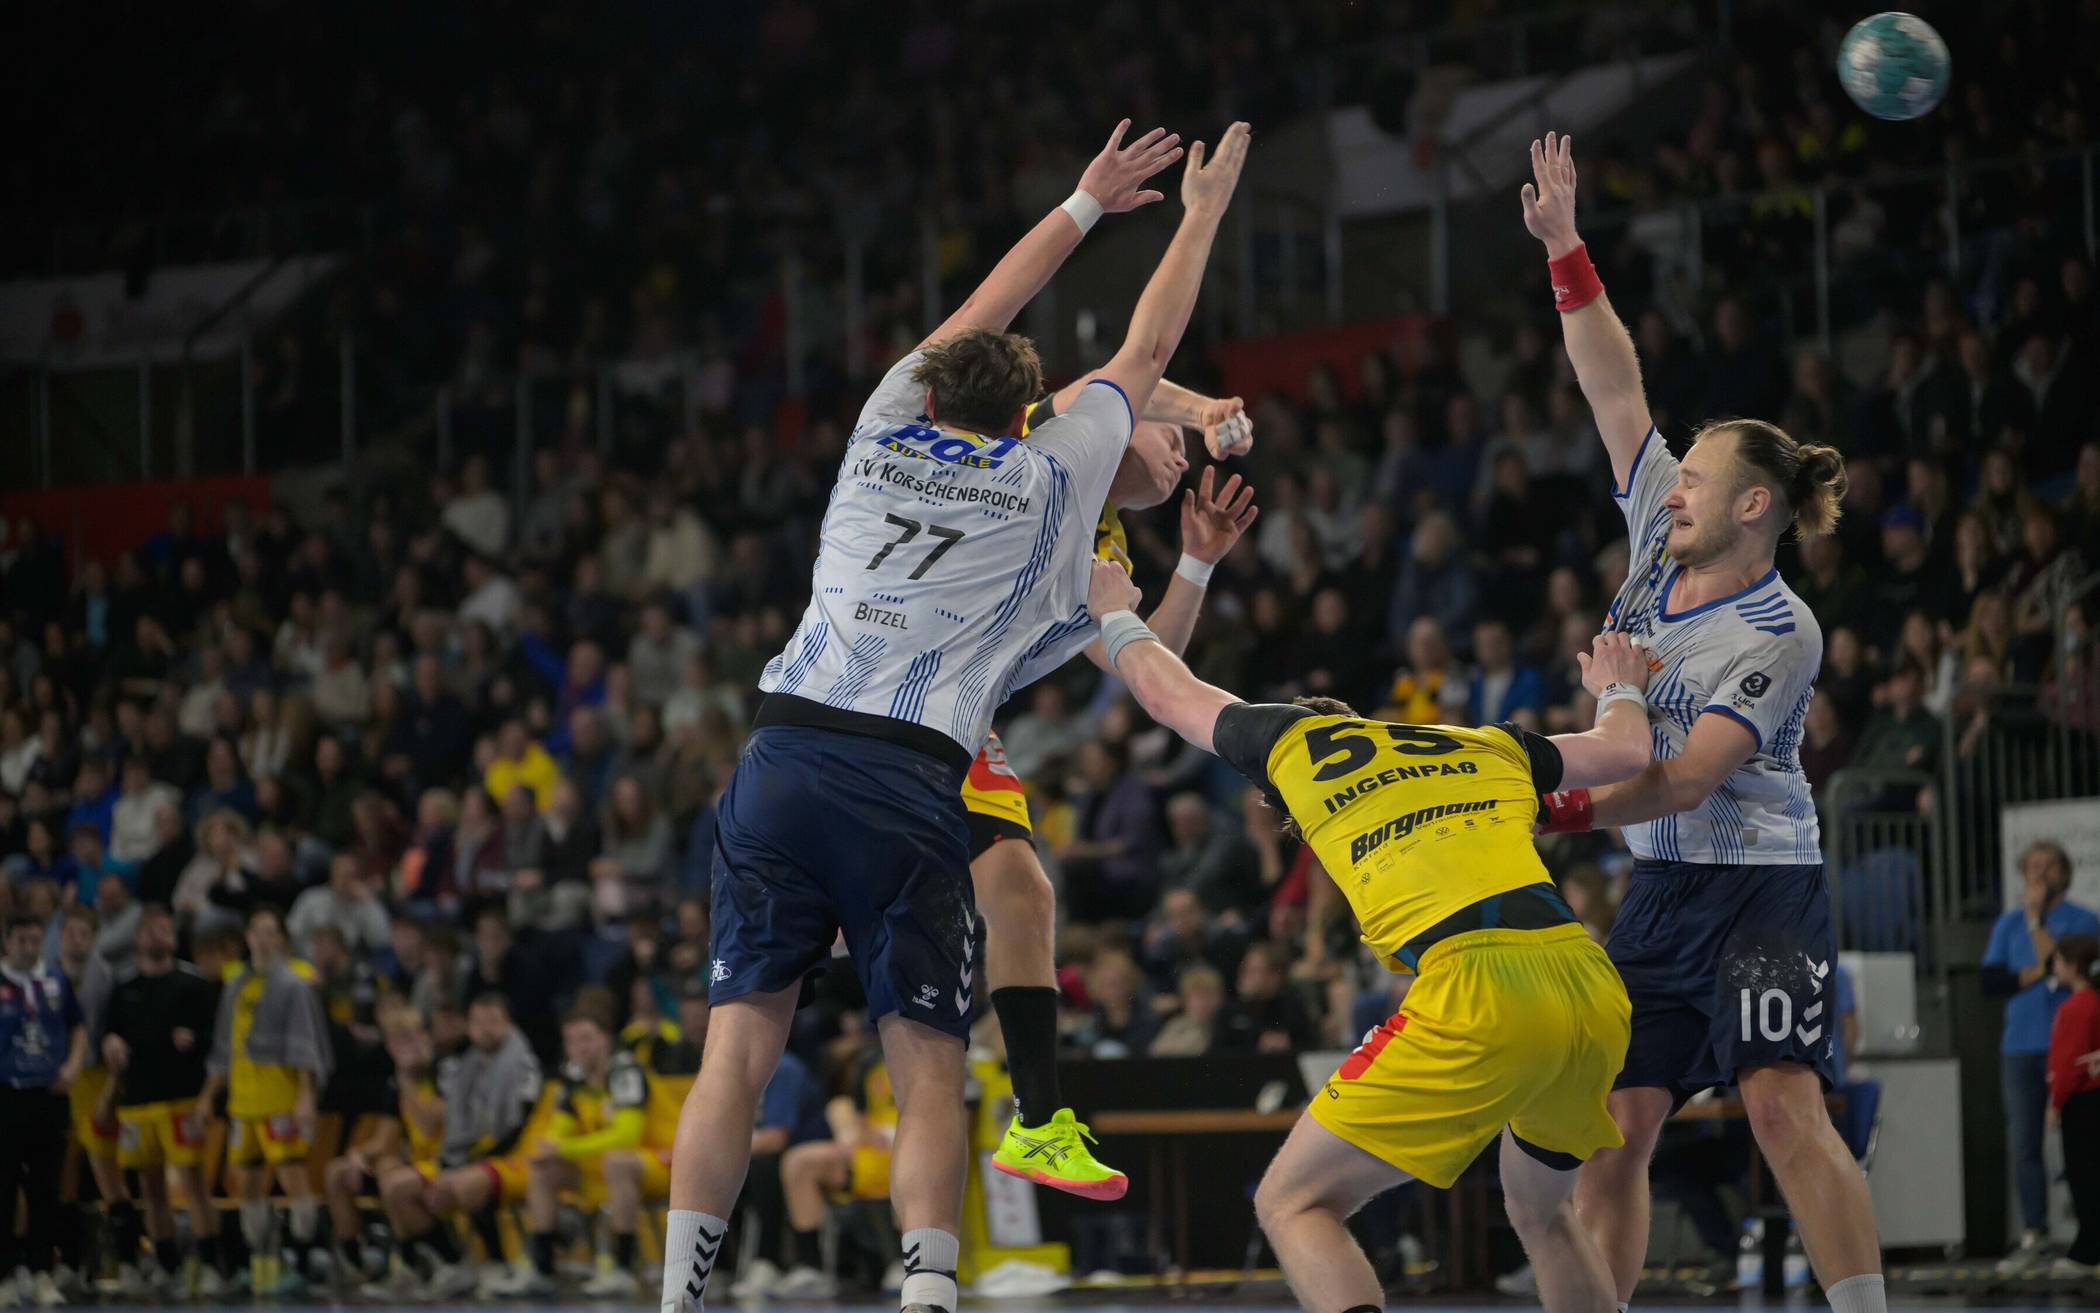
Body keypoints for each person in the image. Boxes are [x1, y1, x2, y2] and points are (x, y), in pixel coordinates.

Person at [659, 116, 1248, 1313]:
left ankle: (680, 1294)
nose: (1168, 459)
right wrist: (1200, 219)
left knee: (741, 1043)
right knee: (927, 1063)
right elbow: (1142, 351)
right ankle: (931, 1288)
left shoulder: (887, 419)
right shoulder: (1058, 484)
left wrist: (1086, 201)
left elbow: (1003, 315)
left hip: (784, 744)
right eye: (1156, 447)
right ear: (1051, 418)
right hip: (908, 765)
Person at [1517, 132, 1885, 1313]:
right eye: (1672, 480)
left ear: (1753, 504)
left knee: (1781, 1107)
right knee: (1615, 1127)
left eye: (1693, 482)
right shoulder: (1654, 537)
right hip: (1662, 894)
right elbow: (1611, 385)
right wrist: (1568, 249)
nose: (1669, 488)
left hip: (1761, 892)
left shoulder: (1781, 629)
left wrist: (1553, 805)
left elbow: (1683, 778)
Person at [1084, 555, 1656, 1313]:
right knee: (1544, 1211)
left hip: (1480, 991)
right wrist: (1619, 683)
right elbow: (1627, 752)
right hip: (1589, 983)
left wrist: (1112, 609)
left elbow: (1167, 692)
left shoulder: (1293, 747)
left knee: (1293, 1202)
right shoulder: (1479, 743)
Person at [188, 906, 333, 1297]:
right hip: (243, 1102)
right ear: (248, 938)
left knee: (292, 1178)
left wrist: (305, 1096)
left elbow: (305, 1043)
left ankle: (304, 1263)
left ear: (282, 939)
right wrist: (207, 1098)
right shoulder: (235, 984)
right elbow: (223, 1047)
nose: (263, 939)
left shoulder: (294, 985)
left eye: (271, 932)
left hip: (279, 1099)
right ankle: (260, 1262)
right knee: (248, 1184)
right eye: (257, 931)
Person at [361, 993, 543, 1301]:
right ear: (468, 1027)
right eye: (478, 1022)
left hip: (519, 1159)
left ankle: (496, 1262)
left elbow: (514, 1130)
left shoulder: (524, 1066)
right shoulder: (468, 1068)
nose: (485, 1029)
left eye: (493, 1021)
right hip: (468, 1158)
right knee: (396, 1186)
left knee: (464, 1183)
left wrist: (462, 1166)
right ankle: (448, 1265)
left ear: (508, 1024)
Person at [1982, 840, 2098, 1273]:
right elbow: (1992, 982)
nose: (2039, 874)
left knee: (2084, 1144)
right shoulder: (2008, 923)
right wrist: (2038, 971)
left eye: (2048, 866)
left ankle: (2089, 1236)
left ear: (2064, 872)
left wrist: (2035, 926)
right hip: (2020, 1046)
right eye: (2032, 866)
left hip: (2070, 1047)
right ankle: (2035, 1231)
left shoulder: (2083, 920)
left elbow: (2063, 968)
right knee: (2024, 1142)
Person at [101, 904, 227, 1298]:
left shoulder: (194, 984)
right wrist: (111, 1043)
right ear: (138, 938)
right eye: (151, 929)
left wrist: (195, 1041)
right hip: (138, 1102)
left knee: (192, 1182)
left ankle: (211, 1266)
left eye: (165, 929)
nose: (159, 935)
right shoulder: (124, 988)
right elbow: (109, 1035)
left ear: (174, 937)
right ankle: (167, 1264)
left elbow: (219, 1041)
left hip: (181, 1100)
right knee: (149, 1187)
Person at [491, 1008, 660, 1298]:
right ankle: (542, 1268)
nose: (578, 1047)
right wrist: (550, 1148)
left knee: (617, 1162)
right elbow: (560, 1128)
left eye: (586, 1038)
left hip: (656, 1159)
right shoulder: (573, 1076)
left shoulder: (625, 1071)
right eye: (570, 1040)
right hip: (602, 1165)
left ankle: (621, 1269)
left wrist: (565, 1148)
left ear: (605, 1039)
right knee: (543, 1168)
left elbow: (627, 1137)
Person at [319, 1003, 442, 1287]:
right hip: (414, 1163)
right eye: (398, 1041)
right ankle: (353, 1263)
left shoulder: (442, 1072)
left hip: (445, 1162)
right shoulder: (395, 1084)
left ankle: (410, 1263)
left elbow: (429, 1125)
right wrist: (358, 1156)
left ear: (425, 1037)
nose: (407, 1047)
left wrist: (407, 1081)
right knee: (337, 1172)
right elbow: (385, 1139)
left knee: (389, 1171)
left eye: (411, 1037)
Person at [2, 913, 87, 1307]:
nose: (28, 948)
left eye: (35, 940)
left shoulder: (54, 979)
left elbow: (78, 1026)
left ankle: (41, 1273)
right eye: (21, 940)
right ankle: (4, 1276)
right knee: (4, 1188)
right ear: (6, 942)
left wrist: (73, 1066)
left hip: (49, 1096)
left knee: (46, 1188)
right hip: (7, 1094)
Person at [2046, 934, 2100, 1277]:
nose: (2053, 966)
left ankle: (2088, 1250)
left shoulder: (2077, 1007)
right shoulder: (2093, 1003)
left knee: (2084, 1175)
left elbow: (2070, 1062)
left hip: (2082, 1102)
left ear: (2073, 966)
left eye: (2057, 960)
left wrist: (2055, 1103)